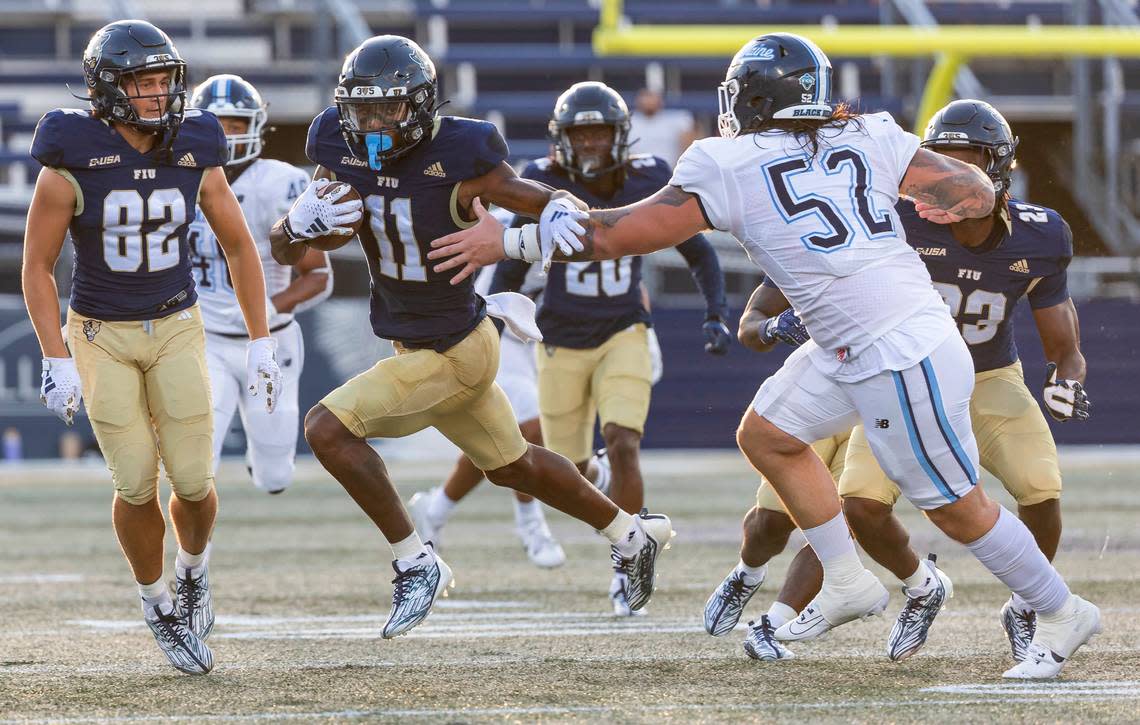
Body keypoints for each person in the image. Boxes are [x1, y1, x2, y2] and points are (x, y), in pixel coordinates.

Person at [428, 32, 1100, 679]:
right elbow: (976, 192)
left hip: (897, 352)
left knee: (957, 508)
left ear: (749, 98)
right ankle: (845, 579)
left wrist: (511, 240)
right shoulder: (870, 133)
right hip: (859, 340)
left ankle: (1063, 611)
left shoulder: (729, 162)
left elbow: (617, 234)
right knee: (769, 434)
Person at [269, 35, 673, 639]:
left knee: (326, 428)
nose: (374, 123)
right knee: (517, 467)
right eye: (363, 109)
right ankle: (629, 534)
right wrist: (294, 226)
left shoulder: (462, 151)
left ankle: (415, 560)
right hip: (426, 342)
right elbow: (303, 243)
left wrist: (563, 208)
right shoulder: (337, 142)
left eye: (389, 109)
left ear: (422, 105)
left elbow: (539, 198)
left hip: (454, 349)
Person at [716, 99, 1090, 665]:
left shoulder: (1039, 235)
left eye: (967, 163)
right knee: (860, 502)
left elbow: (1067, 348)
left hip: (987, 375)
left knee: (1039, 489)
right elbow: (780, 290)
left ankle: (1030, 605)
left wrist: (1065, 377)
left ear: (999, 166)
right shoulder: (889, 213)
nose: (950, 179)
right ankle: (912, 585)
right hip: (897, 366)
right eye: (942, 161)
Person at [22, 20, 281, 675]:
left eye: (165, 79)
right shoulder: (70, 155)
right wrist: (54, 355)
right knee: (135, 480)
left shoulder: (195, 143)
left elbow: (239, 244)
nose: (159, 93)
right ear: (108, 89)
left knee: (194, 483)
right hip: (101, 333)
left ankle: (193, 570)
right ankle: (156, 599)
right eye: (143, 81)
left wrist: (259, 340)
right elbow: (36, 264)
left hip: (175, 325)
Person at [491, 81, 730, 615]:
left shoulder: (648, 177)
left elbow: (697, 250)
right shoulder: (542, 184)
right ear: (563, 138)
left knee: (624, 440)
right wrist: (490, 314)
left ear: (621, 135)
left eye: (602, 131)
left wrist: (715, 312)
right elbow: (511, 264)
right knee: (570, 470)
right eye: (583, 133)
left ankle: (630, 564)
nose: (594, 143)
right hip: (558, 341)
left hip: (625, 329)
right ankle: (600, 482)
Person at [703, 279, 951, 663]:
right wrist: (772, 327)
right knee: (770, 519)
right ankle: (747, 573)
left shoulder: (912, 250)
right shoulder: (818, 244)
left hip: (887, 392)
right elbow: (752, 323)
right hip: (826, 391)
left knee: (849, 513)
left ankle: (773, 622)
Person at [188, 74, 333, 495]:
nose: (227, 135)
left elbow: (319, 275)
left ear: (255, 127)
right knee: (198, 461)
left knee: (275, 477)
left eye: (236, 124)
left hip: (270, 339)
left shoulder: (279, 181)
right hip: (206, 339)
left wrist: (267, 309)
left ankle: (263, 465)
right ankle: (193, 560)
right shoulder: (178, 176)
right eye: (218, 124)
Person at [629, 88, 697, 167]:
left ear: (660, 99)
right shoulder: (627, 121)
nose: (649, 101)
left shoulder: (678, 118)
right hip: (636, 173)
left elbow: (690, 148)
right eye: (645, 96)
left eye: (651, 96)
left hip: (669, 173)